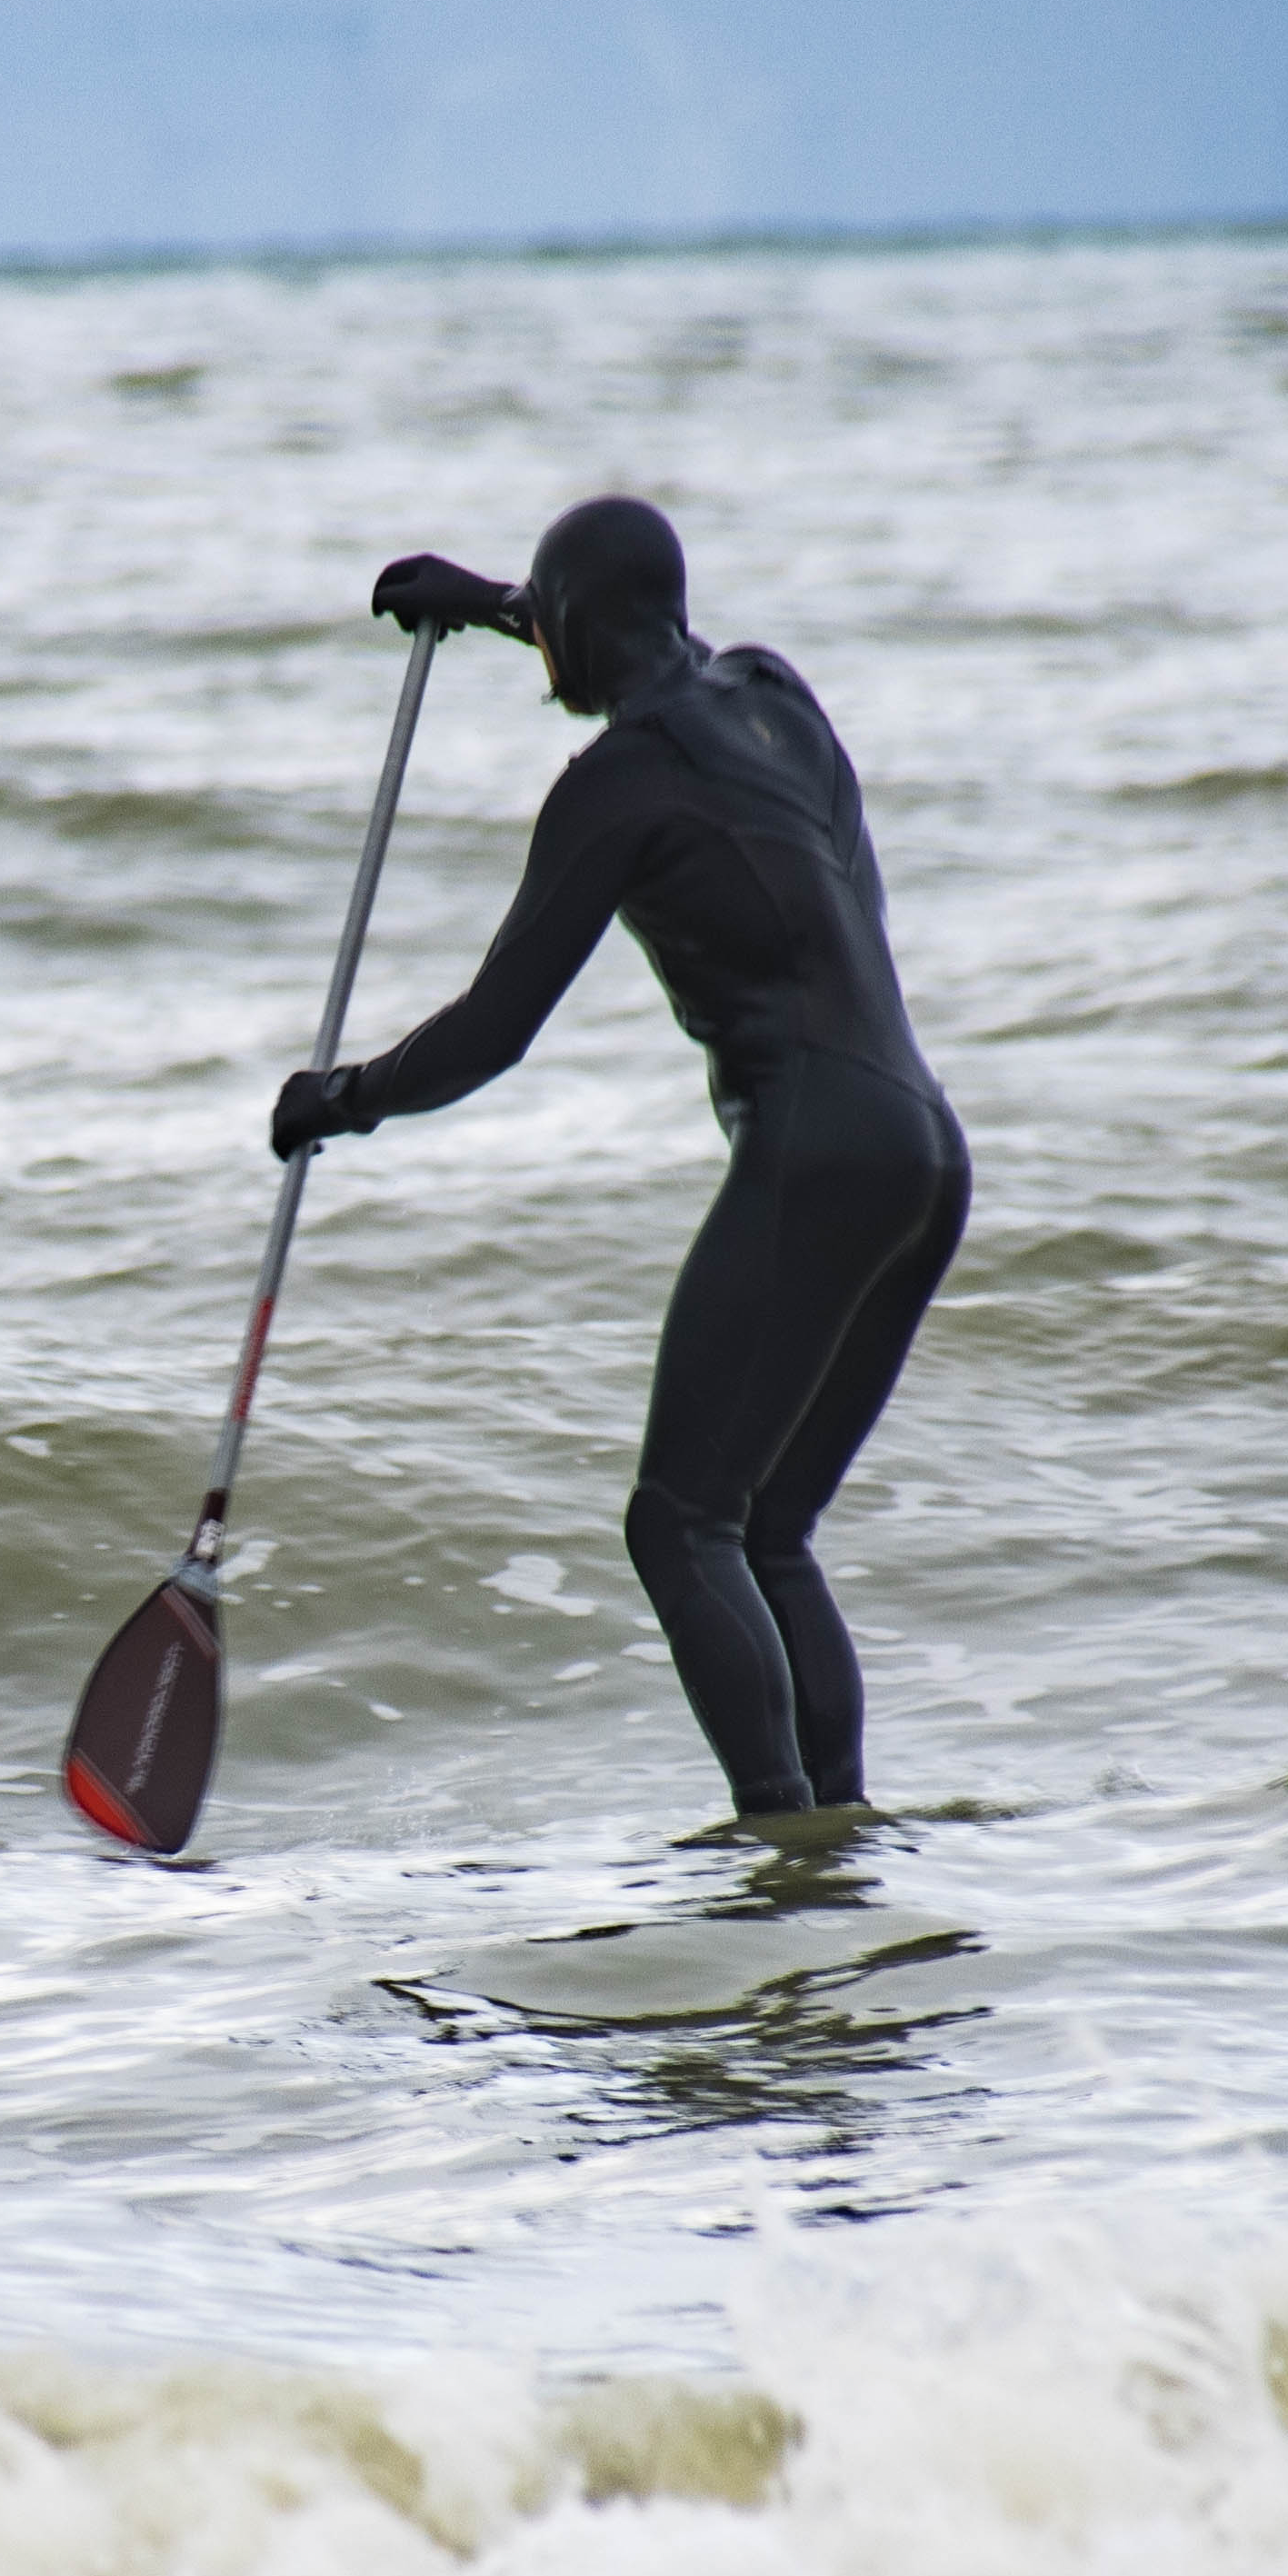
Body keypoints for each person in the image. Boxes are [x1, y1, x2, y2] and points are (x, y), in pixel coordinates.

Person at [273, 496, 969, 1822]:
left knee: (680, 1527)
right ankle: (835, 1852)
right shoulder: (774, 692)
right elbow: (614, 633)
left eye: (545, 629)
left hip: (814, 1149)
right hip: (924, 1151)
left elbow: (492, 1031)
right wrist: (487, 603)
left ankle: (777, 1850)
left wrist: (341, 1098)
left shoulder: (618, 787)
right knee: (768, 1535)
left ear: (579, 628)